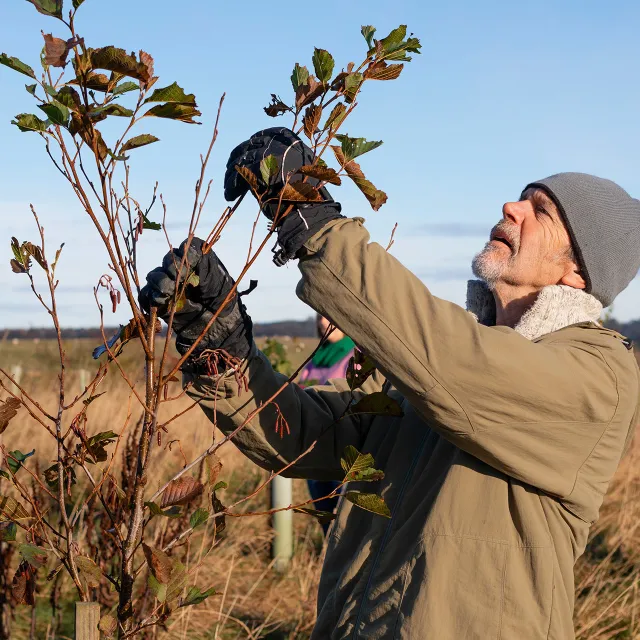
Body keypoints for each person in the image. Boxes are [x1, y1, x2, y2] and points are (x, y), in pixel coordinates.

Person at [141, 127, 640, 639]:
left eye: (541, 211)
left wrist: (310, 218)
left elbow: (459, 363)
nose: (512, 207)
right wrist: (221, 348)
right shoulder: (442, 367)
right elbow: (320, 438)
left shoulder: (599, 376)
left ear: (577, 271)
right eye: (521, 197)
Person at [299, 314, 355, 530]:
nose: (323, 323)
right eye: (320, 317)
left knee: (345, 523)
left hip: (343, 450)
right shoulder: (316, 357)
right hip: (314, 448)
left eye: (329, 317)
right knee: (324, 519)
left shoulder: (355, 354)